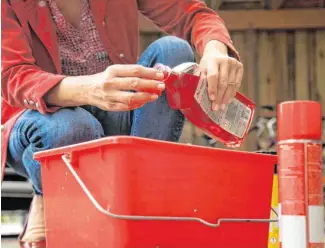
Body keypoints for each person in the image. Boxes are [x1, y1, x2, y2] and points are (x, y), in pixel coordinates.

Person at [1, 0, 243, 247]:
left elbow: (190, 12)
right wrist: (89, 89)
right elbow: (12, 76)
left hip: (116, 109)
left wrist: (215, 47)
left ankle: (141, 199)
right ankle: (49, 195)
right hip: (40, 121)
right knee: (74, 126)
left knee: (174, 50)